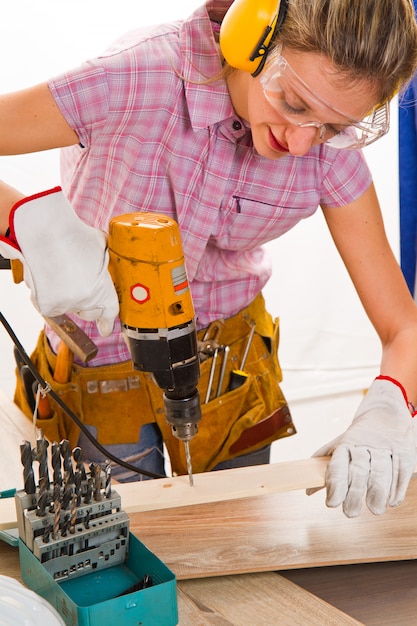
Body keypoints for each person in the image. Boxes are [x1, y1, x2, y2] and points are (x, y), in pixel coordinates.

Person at [0, 0, 417, 518]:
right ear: (250, 39)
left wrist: (390, 403)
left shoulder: (328, 155)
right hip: (99, 358)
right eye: (293, 102)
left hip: (229, 366)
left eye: (333, 127)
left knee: (235, 543)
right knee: (115, 545)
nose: (301, 142)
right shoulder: (137, 77)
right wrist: (23, 223)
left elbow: (404, 329)